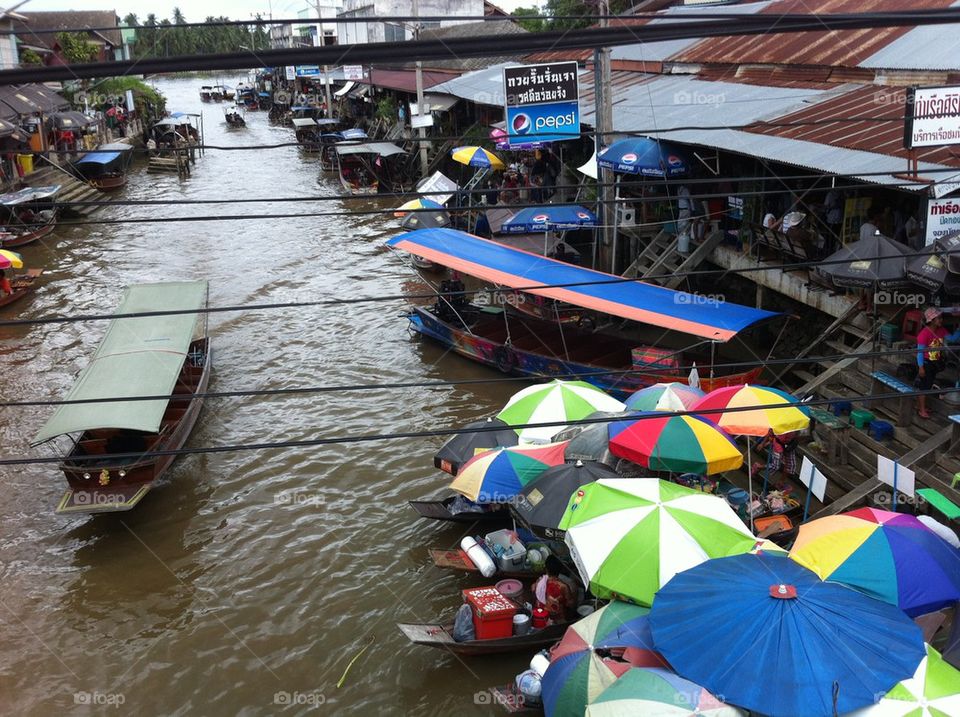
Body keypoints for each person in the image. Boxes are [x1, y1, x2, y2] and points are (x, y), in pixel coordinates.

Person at [916, 307, 960, 418]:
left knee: (928, 384)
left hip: (935, 363)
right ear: (932, 320)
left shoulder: (941, 331)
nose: (941, 320)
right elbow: (920, 353)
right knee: (924, 387)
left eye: (941, 318)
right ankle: (921, 410)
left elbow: (952, 339)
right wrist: (921, 367)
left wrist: (959, 330)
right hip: (926, 363)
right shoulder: (924, 334)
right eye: (938, 318)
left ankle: (921, 407)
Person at [535, 556, 576, 623]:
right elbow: (570, 604)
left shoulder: (539, 582)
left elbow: (535, 593)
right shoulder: (564, 586)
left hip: (542, 614)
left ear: (546, 569)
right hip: (558, 617)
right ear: (560, 570)